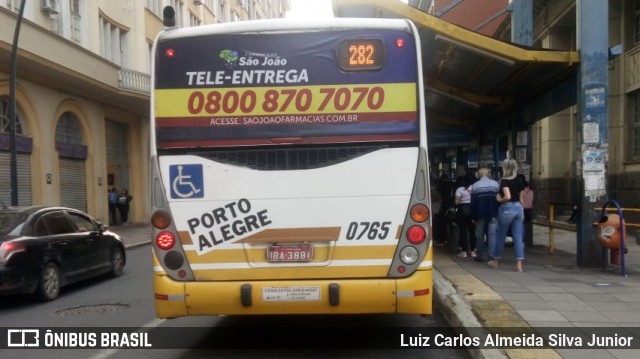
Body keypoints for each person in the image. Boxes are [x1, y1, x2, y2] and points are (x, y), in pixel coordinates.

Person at [489, 159, 525, 272]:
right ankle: (519, 265)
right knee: (518, 237)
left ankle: (495, 261)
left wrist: (499, 199)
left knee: (501, 235)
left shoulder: (504, 181)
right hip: (519, 208)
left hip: (507, 208)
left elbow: (507, 196)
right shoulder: (520, 180)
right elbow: (521, 199)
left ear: (505, 168)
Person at [470, 168, 499, 262]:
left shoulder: (475, 186)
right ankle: (492, 255)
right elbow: (498, 199)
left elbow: (473, 203)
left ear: (479, 175)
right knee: (492, 235)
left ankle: (479, 255)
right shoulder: (495, 184)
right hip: (493, 213)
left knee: (480, 235)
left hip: (479, 214)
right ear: (488, 174)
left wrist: (473, 216)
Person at [453, 174, 475, 258]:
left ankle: (464, 252)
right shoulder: (474, 188)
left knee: (463, 230)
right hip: (472, 210)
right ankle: (473, 251)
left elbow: (456, 202)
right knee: (472, 231)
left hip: (462, 211)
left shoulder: (460, 189)